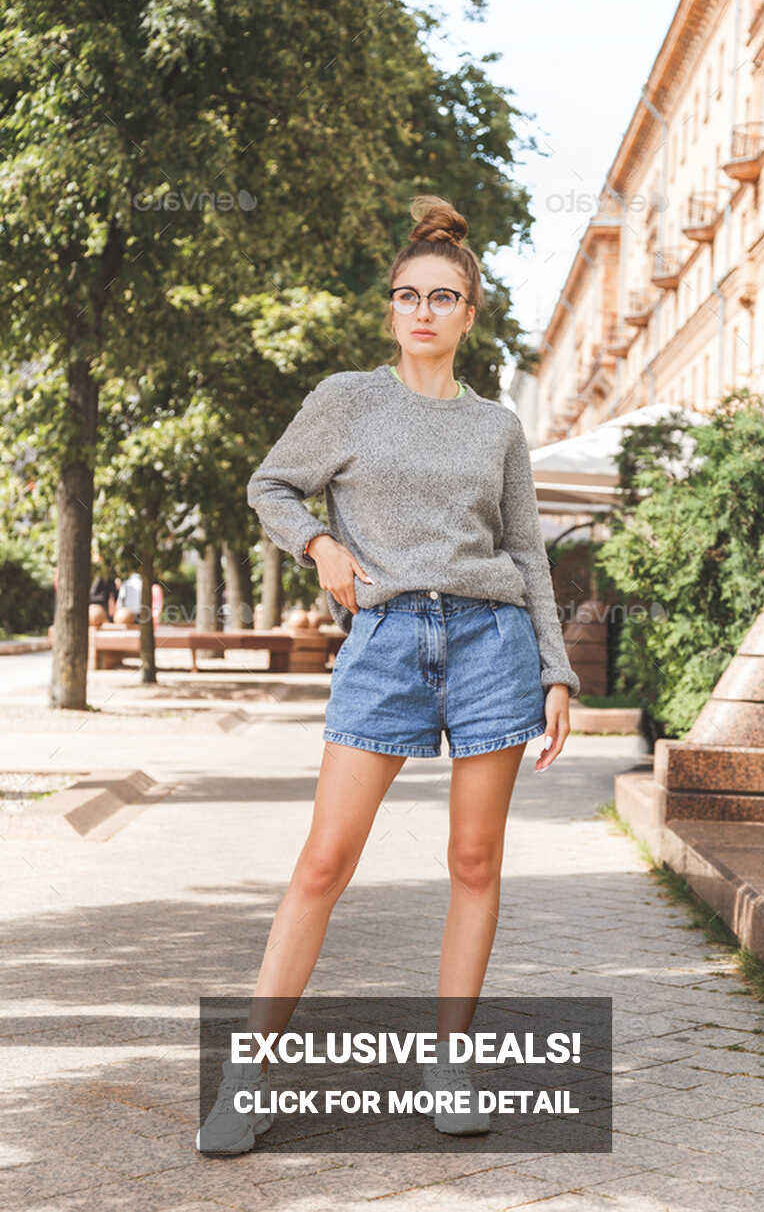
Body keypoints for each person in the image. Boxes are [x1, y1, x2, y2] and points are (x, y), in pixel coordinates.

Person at [196, 195, 580, 1154]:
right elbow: (270, 485)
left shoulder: (496, 427)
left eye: (442, 297)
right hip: (385, 644)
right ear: (390, 310)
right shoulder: (347, 399)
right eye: (408, 295)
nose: (423, 311)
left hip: (492, 645)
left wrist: (556, 671)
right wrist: (321, 545)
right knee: (324, 860)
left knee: (474, 861)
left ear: (468, 313)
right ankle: (251, 1075)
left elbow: (528, 552)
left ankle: (450, 1065)